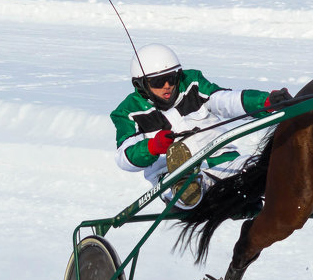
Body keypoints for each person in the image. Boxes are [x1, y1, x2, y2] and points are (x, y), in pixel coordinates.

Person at [111, 44, 290, 208]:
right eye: (158, 82)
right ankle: (188, 188)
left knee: (270, 169)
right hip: (171, 178)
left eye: (171, 79)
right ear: (141, 84)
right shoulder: (128, 112)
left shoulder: (192, 84)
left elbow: (224, 100)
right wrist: (152, 147)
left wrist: (265, 102)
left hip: (223, 163)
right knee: (188, 189)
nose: (167, 86)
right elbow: (123, 157)